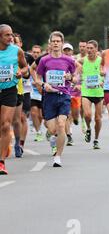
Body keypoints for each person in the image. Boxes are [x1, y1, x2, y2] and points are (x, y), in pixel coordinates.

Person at [36, 31, 76, 167]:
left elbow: (76, 77)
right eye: (53, 41)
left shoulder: (69, 60)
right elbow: (37, 77)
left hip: (64, 95)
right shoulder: (44, 60)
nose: (55, 43)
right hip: (49, 97)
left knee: (61, 124)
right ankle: (53, 137)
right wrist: (43, 84)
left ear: (62, 43)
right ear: (50, 43)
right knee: (53, 129)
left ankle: (58, 157)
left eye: (58, 41)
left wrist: (70, 78)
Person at [0, 25, 29, 174]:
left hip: (10, 90)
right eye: (7, 35)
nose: (10, 38)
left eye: (11, 34)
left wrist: (20, 72)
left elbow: (26, 68)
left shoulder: (17, 51)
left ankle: (1, 162)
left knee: (5, 125)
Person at [78, 40, 104, 149]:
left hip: (98, 92)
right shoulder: (82, 60)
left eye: (91, 48)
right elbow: (74, 63)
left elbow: (107, 71)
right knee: (87, 115)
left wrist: (103, 80)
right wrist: (79, 74)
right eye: (87, 48)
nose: (89, 50)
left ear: (96, 50)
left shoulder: (101, 60)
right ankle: (88, 128)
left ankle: (96, 139)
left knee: (98, 118)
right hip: (86, 92)